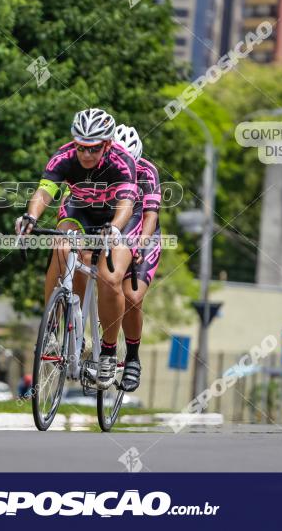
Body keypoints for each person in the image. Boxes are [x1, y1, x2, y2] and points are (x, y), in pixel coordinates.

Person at [16, 108, 138, 389]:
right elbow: (44, 191)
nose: (85, 154)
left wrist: (115, 229)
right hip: (79, 212)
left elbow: (126, 205)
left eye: (93, 149)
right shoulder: (64, 156)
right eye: (81, 147)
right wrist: (31, 217)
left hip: (115, 218)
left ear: (107, 144)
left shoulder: (122, 162)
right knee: (61, 248)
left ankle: (107, 352)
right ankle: (53, 327)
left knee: (109, 279)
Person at [112, 124, 162, 392]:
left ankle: (132, 358)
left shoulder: (147, 171)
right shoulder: (100, 167)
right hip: (109, 230)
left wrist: (142, 245)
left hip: (143, 231)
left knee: (132, 296)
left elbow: (151, 215)